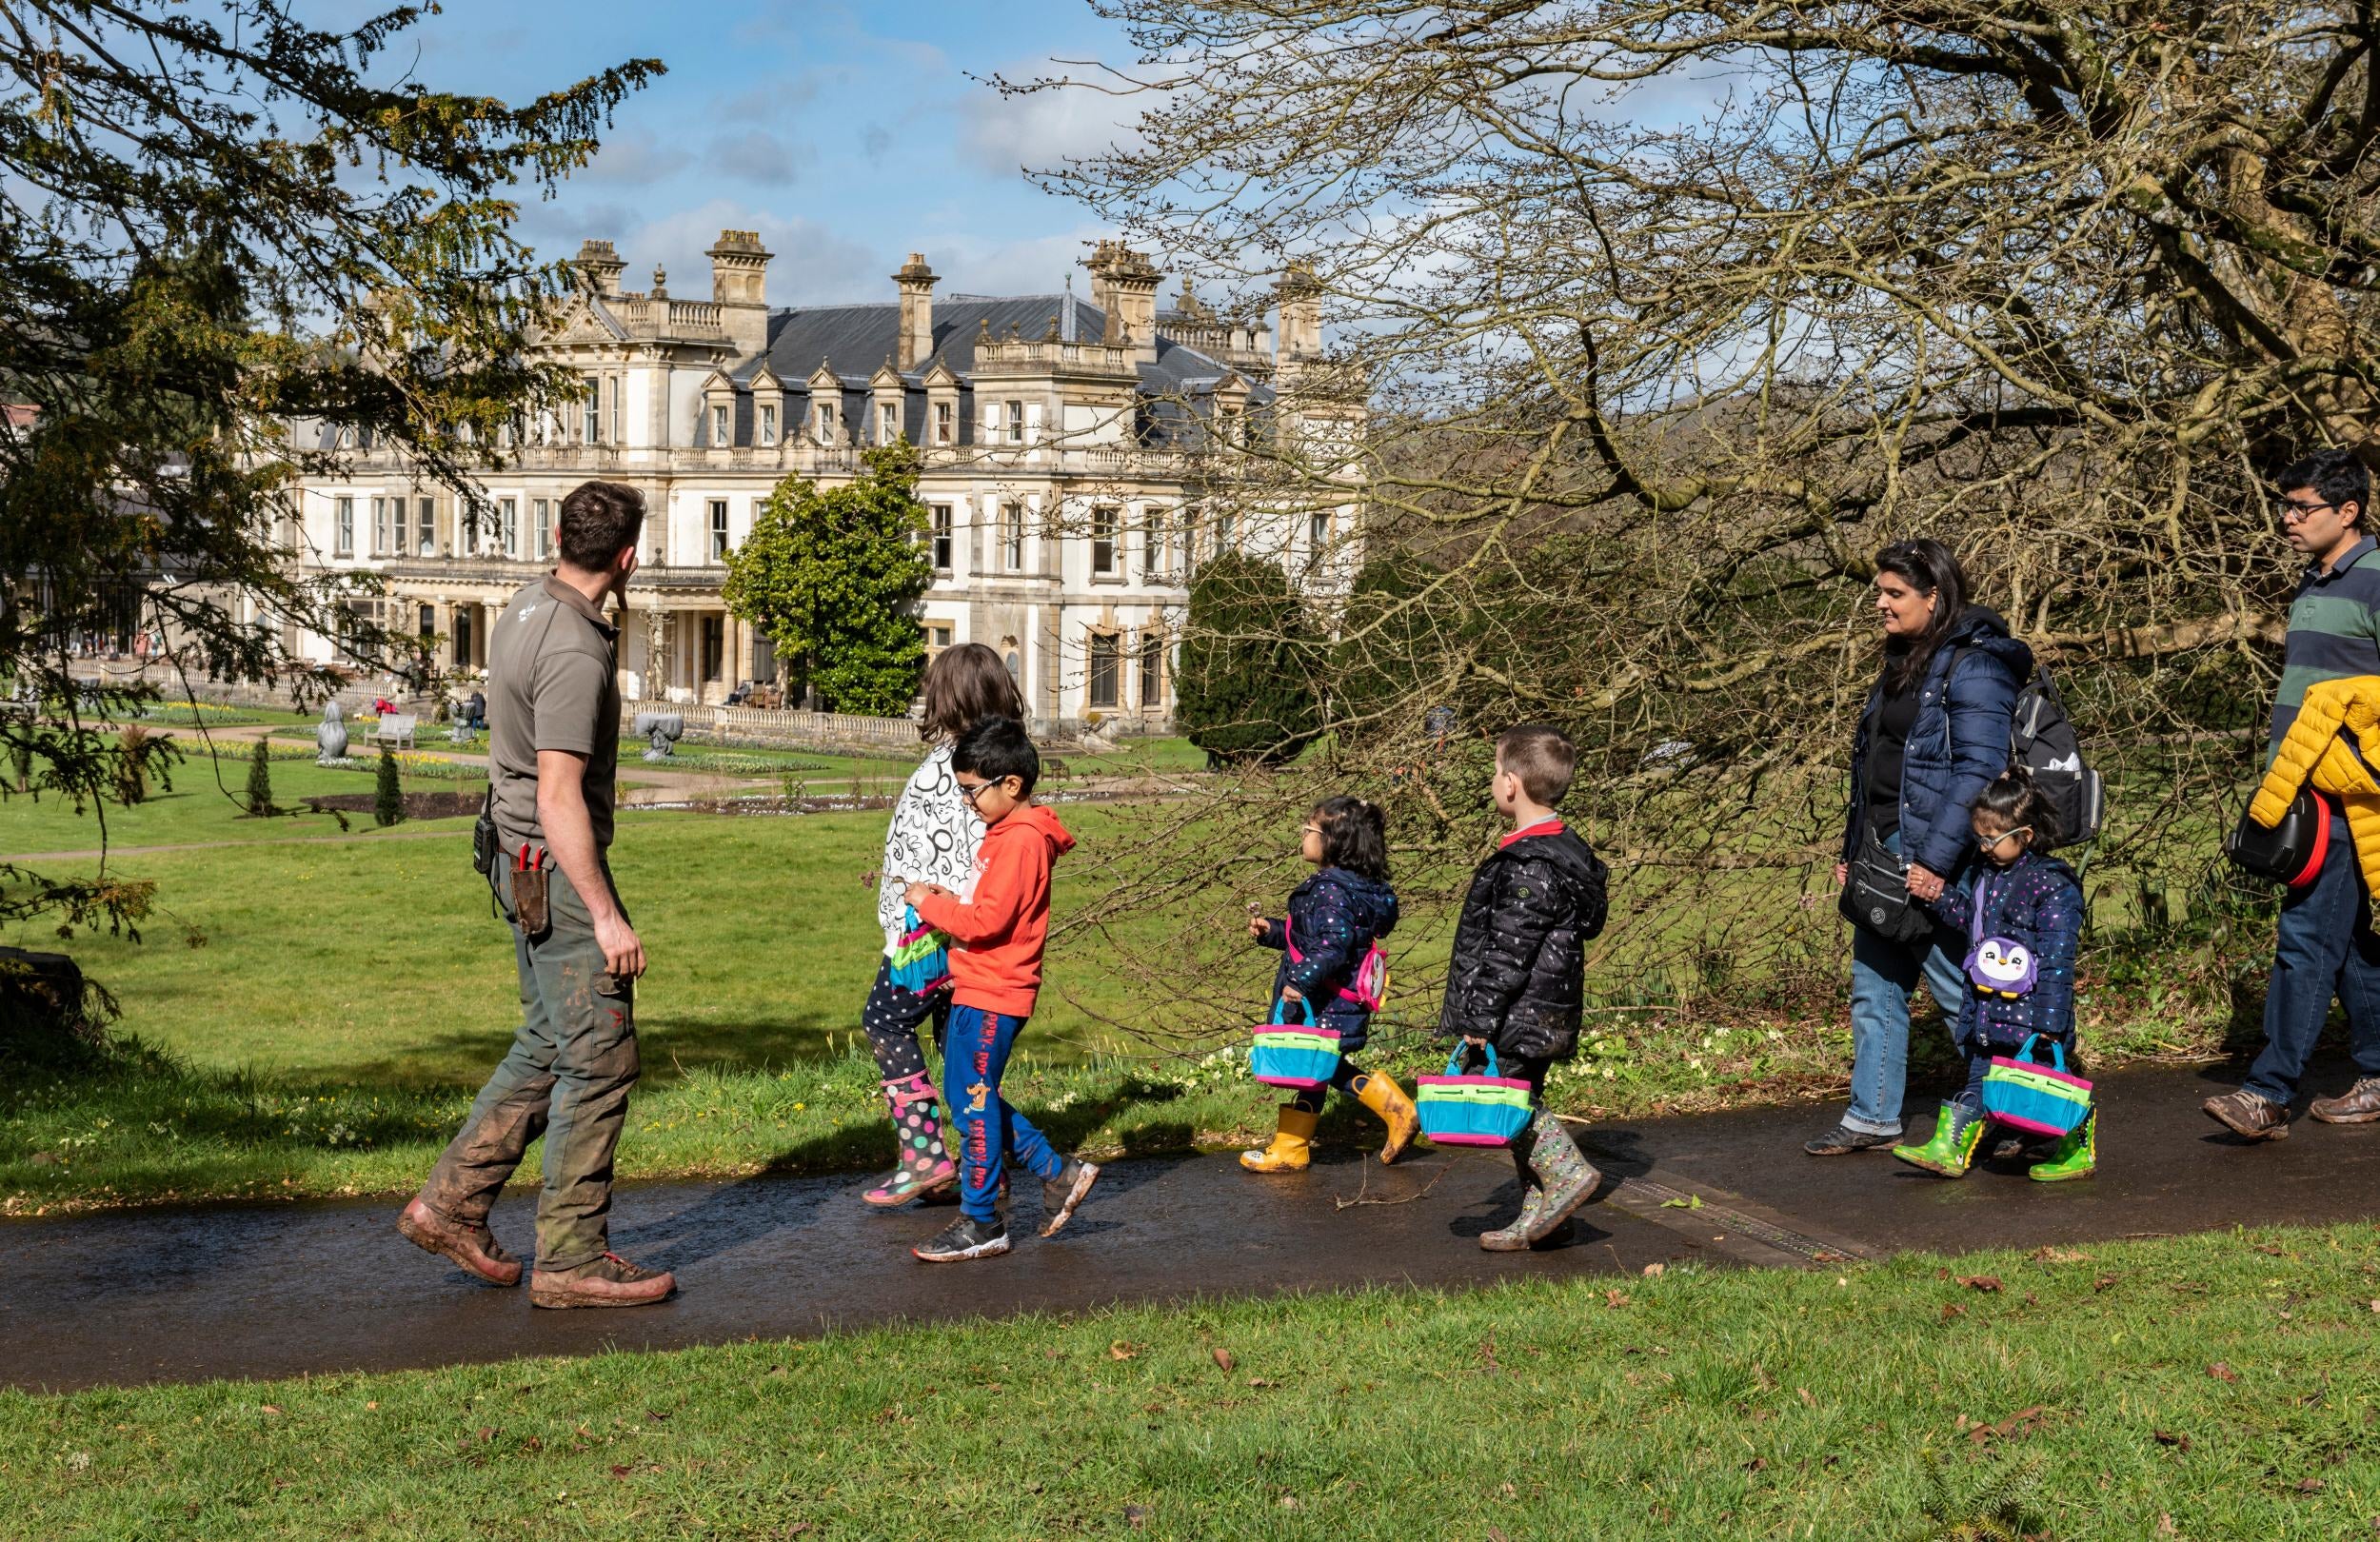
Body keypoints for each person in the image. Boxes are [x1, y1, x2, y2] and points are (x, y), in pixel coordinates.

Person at [396, 480, 673, 1309]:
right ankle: (571, 1260)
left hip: (514, 858)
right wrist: (607, 914)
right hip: (549, 864)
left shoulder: (522, 605)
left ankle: (451, 1206)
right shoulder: (575, 651)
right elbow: (559, 797)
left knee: (552, 1042)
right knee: (601, 1056)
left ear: (559, 537)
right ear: (628, 557)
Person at [1808, 540, 2030, 1156]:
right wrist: (1856, 844)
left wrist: (1933, 858)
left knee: (1964, 992)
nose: (1879, 603)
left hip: (1936, 851)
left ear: (1934, 597)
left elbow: (1979, 767)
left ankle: (2025, 1112)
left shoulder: (1975, 664)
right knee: (1874, 985)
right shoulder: (1903, 662)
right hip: (1885, 846)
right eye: (1879, 590)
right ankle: (1872, 1116)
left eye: (1893, 593)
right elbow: (1874, 759)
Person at [2207, 447, 2380, 1140]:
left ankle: (2267, 1092)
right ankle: (2374, 1075)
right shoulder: (2316, 584)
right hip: (2309, 799)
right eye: (2286, 504)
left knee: (2306, 940)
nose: (2287, 518)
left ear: (2349, 511)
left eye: (2302, 507)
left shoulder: (2374, 582)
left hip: (2349, 802)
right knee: (2357, 949)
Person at [903, 716, 1100, 1261]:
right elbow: (992, 910)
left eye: (972, 790)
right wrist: (950, 903)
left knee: (971, 1104)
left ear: (1010, 784)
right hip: (979, 987)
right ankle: (1058, 1173)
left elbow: (988, 922)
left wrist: (930, 904)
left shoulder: (1021, 841)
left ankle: (981, 1220)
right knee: (973, 1098)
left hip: (994, 993)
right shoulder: (1006, 835)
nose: (967, 800)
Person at [857, 642, 1026, 1208]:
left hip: (929, 937)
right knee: (959, 1056)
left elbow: (942, 856)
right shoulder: (1000, 764)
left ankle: (926, 1156)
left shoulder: (951, 767)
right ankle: (985, 1169)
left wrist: (914, 914)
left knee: (883, 1020)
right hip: (965, 933)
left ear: (948, 697)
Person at [1439, 723, 1609, 1251]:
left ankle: (1567, 1176)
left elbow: (1509, 953)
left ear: (1511, 785)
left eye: (1495, 772)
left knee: (1510, 1102)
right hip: (1541, 1008)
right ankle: (1543, 1220)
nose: (1492, 781)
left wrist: (1477, 1021)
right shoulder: (1561, 849)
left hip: (1519, 1008)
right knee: (1520, 1097)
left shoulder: (1530, 864)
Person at [1894, 769, 2092, 1180]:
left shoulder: (2053, 886)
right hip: (1988, 1008)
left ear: (2027, 835)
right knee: (1983, 1078)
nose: (1983, 847)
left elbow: (2058, 960)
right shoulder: (1989, 876)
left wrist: (2051, 1022)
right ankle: (1950, 1148)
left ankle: (2077, 1147)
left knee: (2050, 1088)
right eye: (1979, 837)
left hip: (2032, 1017)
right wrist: (1939, 895)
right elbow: (1973, 922)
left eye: (1992, 838)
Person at [1240, 796, 1417, 1173]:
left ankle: (1396, 1109)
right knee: (1315, 1070)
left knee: (1322, 1067)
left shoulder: (1329, 889)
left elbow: (1332, 946)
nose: (1302, 834)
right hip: (1333, 997)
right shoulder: (1348, 888)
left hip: (1324, 998)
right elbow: (1310, 936)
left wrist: (1299, 982)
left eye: (1309, 829)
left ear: (1333, 841)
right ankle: (1291, 1149)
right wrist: (1273, 930)